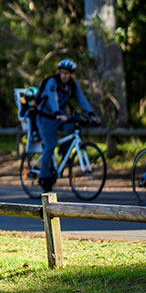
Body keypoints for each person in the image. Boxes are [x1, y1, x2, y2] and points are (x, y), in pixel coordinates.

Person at [34, 58, 97, 193]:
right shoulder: (52, 82)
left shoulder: (73, 85)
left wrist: (91, 113)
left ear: (72, 74)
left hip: (60, 119)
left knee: (75, 129)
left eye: (67, 73)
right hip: (45, 119)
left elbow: (81, 99)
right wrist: (57, 113)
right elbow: (52, 98)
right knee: (50, 145)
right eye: (62, 73)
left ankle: (64, 152)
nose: (64, 76)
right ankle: (44, 177)